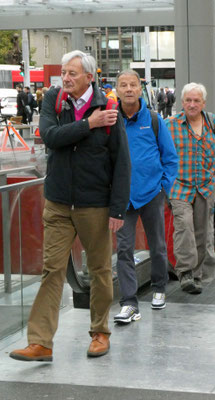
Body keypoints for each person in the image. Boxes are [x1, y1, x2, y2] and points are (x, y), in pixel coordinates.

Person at [9, 50, 131, 362]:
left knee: (100, 269)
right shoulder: (54, 99)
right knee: (52, 270)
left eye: (72, 73)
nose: (65, 78)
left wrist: (117, 210)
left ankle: (100, 332)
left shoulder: (109, 106)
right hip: (58, 202)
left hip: (95, 205)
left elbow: (121, 164)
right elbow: (49, 136)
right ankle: (41, 342)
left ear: (90, 77)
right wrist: (88, 124)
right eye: (64, 72)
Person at [113, 69, 178, 324]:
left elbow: (170, 157)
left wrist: (163, 186)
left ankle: (159, 288)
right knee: (124, 249)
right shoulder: (110, 120)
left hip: (152, 193)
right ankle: (129, 304)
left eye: (133, 85)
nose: (128, 89)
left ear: (141, 90)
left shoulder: (153, 119)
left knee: (158, 246)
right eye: (123, 85)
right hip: (121, 198)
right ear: (116, 90)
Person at [165, 82, 215, 294]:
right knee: (184, 226)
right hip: (179, 187)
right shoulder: (170, 125)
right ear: (181, 102)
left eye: (196, 100)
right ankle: (185, 272)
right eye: (188, 100)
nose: (192, 104)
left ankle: (200, 275)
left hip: (206, 186)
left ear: (203, 103)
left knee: (204, 232)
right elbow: (162, 154)